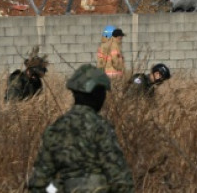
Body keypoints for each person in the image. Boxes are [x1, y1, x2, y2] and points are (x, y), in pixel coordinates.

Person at [28, 64, 134, 192]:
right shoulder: (101, 128)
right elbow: (120, 180)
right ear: (98, 95)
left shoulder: (56, 129)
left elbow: (38, 182)